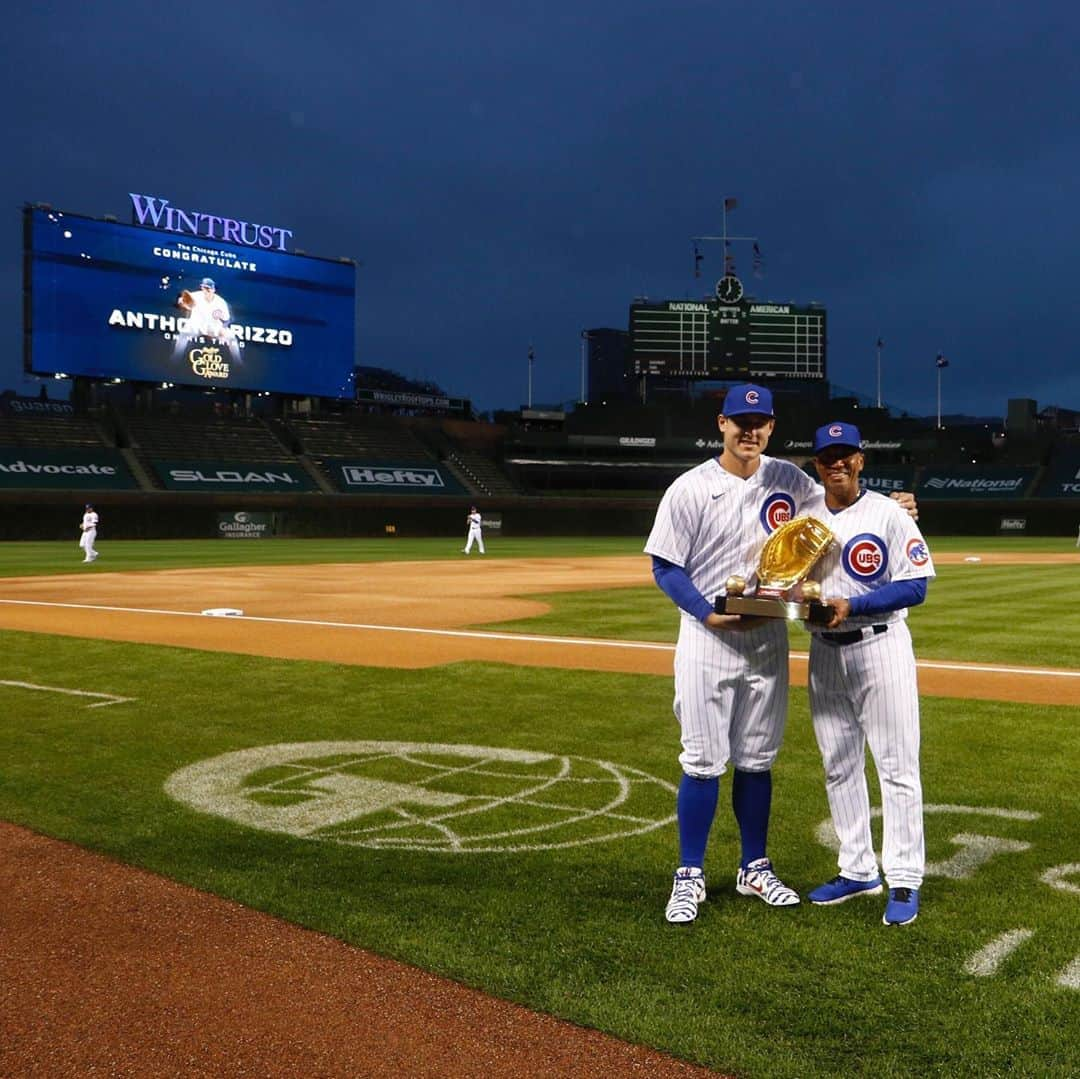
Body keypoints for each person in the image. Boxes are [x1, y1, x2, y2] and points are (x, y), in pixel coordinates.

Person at [644, 385, 918, 924]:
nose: (750, 431)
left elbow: (843, 499)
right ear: (721, 423)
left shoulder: (790, 480)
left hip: (768, 638)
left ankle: (754, 867)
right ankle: (690, 874)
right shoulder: (690, 487)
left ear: (771, 427)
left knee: (756, 759)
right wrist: (706, 612)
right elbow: (664, 565)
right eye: (740, 421)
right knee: (702, 760)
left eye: (760, 422)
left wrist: (896, 504)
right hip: (707, 637)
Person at [802, 422, 935, 926]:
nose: (836, 464)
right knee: (838, 763)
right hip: (823, 651)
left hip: (880, 647)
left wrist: (851, 604)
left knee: (896, 767)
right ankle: (857, 869)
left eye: (845, 455)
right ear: (816, 464)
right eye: (826, 457)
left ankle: (903, 878)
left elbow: (916, 586)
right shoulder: (804, 515)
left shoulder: (889, 513)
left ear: (861, 459)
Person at [173, 277, 241, 364]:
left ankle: (238, 362)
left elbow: (227, 319)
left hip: (213, 327)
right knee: (184, 333)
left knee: (231, 338)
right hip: (196, 324)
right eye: (204, 288)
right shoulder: (196, 296)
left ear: (213, 290)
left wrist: (223, 329)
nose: (206, 290)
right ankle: (175, 358)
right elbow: (180, 302)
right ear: (202, 288)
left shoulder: (220, 302)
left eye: (208, 288)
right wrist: (182, 303)